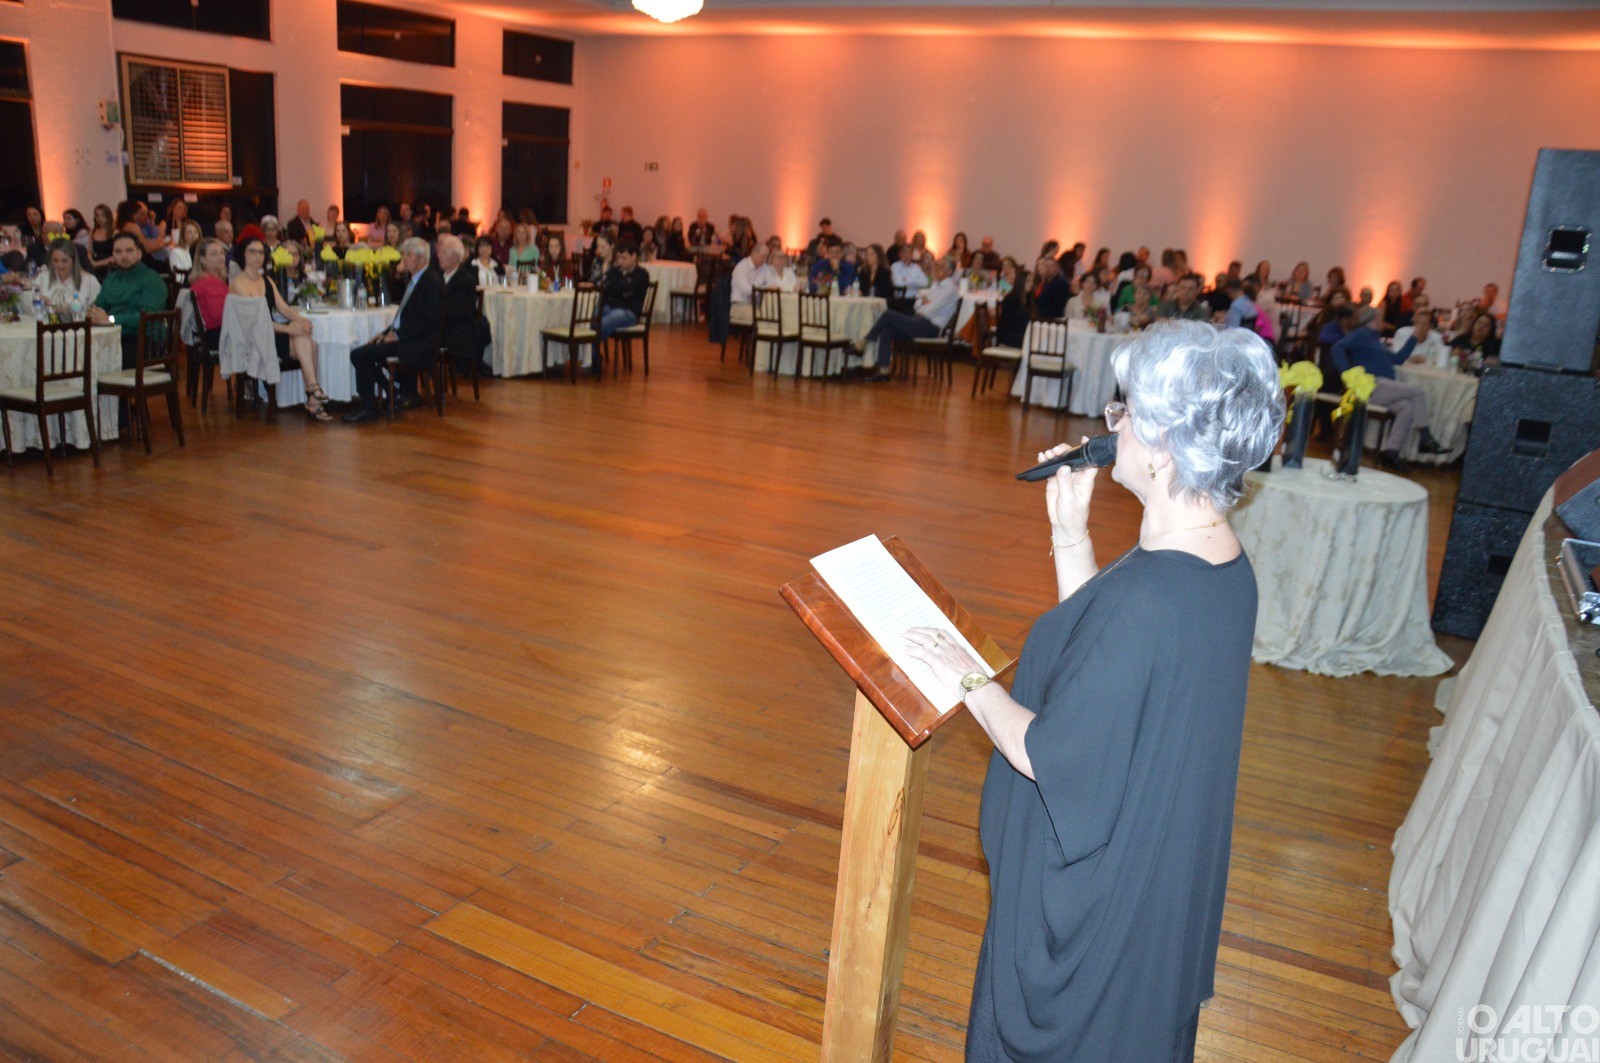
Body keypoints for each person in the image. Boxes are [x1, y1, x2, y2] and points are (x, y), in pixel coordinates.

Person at [901, 320, 1284, 1063]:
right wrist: (1069, 536)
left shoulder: (1145, 600)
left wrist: (967, 675)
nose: (1112, 424)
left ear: (1165, 445)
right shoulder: (1223, 569)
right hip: (1156, 884)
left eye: (1126, 411)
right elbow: (1104, 676)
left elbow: (1051, 751)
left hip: (1092, 909)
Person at [1331, 306, 1447, 471]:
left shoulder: (1375, 339)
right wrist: (1348, 376)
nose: (1384, 323)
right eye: (1381, 319)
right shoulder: (1362, 333)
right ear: (1372, 320)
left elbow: (1397, 359)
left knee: (1407, 407)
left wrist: (1414, 338)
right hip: (1372, 384)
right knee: (1418, 393)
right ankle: (1425, 437)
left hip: (1382, 387)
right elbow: (1337, 348)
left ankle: (1392, 453)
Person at [231, 238, 332, 421]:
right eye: (252, 252)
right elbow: (253, 323)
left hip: (270, 332)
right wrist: (288, 330)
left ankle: (313, 391)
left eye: (261, 252)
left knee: (306, 339)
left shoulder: (267, 280)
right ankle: (313, 396)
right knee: (309, 344)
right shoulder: (238, 284)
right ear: (242, 255)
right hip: (252, 339)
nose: (258, 256)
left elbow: (284, 308)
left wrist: (301, 321)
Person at [343, 238, 443, 424]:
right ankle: (393, 395)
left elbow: (426, 322)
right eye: (403, 254)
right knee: (362, 353)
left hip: (418, 343)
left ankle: (369, 407)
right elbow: (402, 315)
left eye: (408, 255)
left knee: (360, 355)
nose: (404, 258)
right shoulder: (415, 279)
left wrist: (396, 335)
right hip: (407, 338)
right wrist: (385, 333)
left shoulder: (431, 282)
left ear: (421, 259)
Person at [858, 257, 960, 380]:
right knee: (886, 327)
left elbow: (929, 310)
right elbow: (917, 304)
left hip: (931, 327)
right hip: (919, 321)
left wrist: (925, 304)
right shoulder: (936, 285)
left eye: (941, 266)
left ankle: (865, 341)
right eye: (937, 265)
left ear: (949, 272)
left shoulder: (951, 289)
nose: (937, 268)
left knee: (888, 314)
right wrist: (925, 303)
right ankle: (883, 370)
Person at [87, 232, 169, 370]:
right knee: (81, 353)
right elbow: (99, 306)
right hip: (114, 336)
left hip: (145, 339)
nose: (123, 256)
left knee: (100, 359)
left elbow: (147, 316)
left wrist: (111, 319)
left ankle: (105, 390)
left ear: (139, 253)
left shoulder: (152, 279)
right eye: (118, 252)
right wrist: (94, 314)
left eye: (129, 251)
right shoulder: (111, 278)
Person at [596, 239, 650, 371]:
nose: (620, 262)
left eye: (624, 258)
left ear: (634, 256)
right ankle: (593, 357)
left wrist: (616, 288)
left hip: (629, 313)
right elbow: (605, 287)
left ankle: (593, 359)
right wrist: (619, 288)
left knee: (601, 323)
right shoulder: (615, 271)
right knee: (589, 318)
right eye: (618, 258)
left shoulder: (642, 275)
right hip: (611, 307)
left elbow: (624, 289)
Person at [435, 234, 482, 379]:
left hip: (457, 332)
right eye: (439, 252)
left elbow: (453, 311)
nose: (438, 256)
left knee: (419, 340)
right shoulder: (437, 276)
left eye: (443, 253)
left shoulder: (465, 280)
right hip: (442, 326)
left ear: (455, 257)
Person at [188, 237, 230, 352]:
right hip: (215, 336)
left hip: (218, 332)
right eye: (214, 254)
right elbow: (218, 317)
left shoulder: (216, 281)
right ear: (202, 259)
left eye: (222, 253)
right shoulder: (207, 283)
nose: (220, 257)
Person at [37, 239, 101, 308]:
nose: (60, 265)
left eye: (65, 261)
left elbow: (100, 308)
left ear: (73, 260)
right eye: (55, 261)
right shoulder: (43, 277)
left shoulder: (89, 280)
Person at [728, 242, 773, 325]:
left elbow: (772, 284)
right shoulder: (742, 266)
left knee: (774, 315)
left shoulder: (764, 268)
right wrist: (763, 288)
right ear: (754, 253)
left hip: (758, 305)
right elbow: (745, 289)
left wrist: (764, 288)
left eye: (766, 257)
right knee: (765, 318)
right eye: (763, 256)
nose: (765, 260)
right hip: (740, 306)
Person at [995, 258, 1031, 347]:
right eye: (1028, 281)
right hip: (1009, 337)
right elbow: (1009, 324)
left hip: (1019, 333)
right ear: (1021, 282)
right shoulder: (1011, 299)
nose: (1031, 284)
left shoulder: (1029, 298)